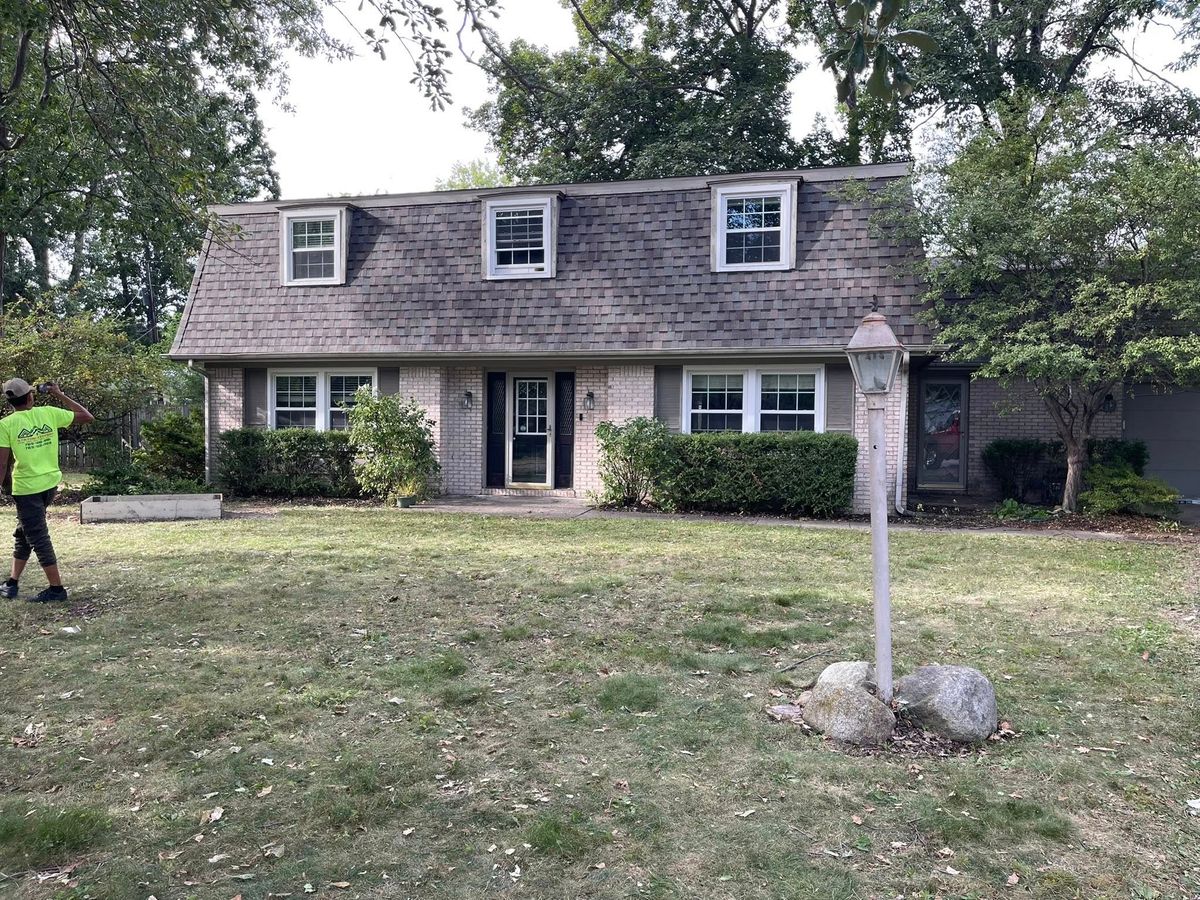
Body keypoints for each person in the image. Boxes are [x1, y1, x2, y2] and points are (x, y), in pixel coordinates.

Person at [0, 379, 94, 602]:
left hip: (26, 489)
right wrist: (59, 394)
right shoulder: (49, 413)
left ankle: (56, 589)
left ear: (10, 402)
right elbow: (86, 416)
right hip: (49, 486)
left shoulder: (5, 425)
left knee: (38, 537)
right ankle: (12, 583)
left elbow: (2, 464)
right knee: (25, 532)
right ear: (31, 396)